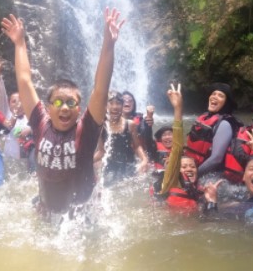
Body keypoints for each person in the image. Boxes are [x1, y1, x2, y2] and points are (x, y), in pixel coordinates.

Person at [0, 7, 125, 216]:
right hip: (47, 208)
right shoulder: (40, 121)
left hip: (79, 215)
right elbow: (24, 80)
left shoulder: (86, 129)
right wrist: (20, 43)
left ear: (79, 109)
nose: (64, 107)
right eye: (58, 103)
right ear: (48, 107)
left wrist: (109, 43)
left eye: (70, 103)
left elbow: (101, 89)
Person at [155, 83, 203, 212]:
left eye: (192, 166)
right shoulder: (171, 181)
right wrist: (178, 109)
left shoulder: (198, 191)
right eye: (184, 166)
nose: (189, 169)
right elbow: (177, 147)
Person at [184, 82, 242, 176]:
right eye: (213, 94)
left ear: (226, 102)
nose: (214, 96)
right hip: (194, 168)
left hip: (211, 175)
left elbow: (216, 159)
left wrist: (195, 175)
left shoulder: (225, 124)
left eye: (220, 95)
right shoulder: (204, 117)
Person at [0, 55, 36, 173]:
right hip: (10, 162)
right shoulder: (6, 115)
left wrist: (30, 129)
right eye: (13, 101)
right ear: (9, 104)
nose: (17, 103)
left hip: (26, 161)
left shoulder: (30, 117)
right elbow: (1, 94)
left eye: (21, 100)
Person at [94, 91, 149, 185]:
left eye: (118, 103)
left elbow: (137, 146)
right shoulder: (101, 127)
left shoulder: (130, 124)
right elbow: (101, 151)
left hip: (128, 164)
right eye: (111, 103)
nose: (115, 107)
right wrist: (87, 162)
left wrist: (144, 160)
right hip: (110, 165)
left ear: (122, 105)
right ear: (106, 106)